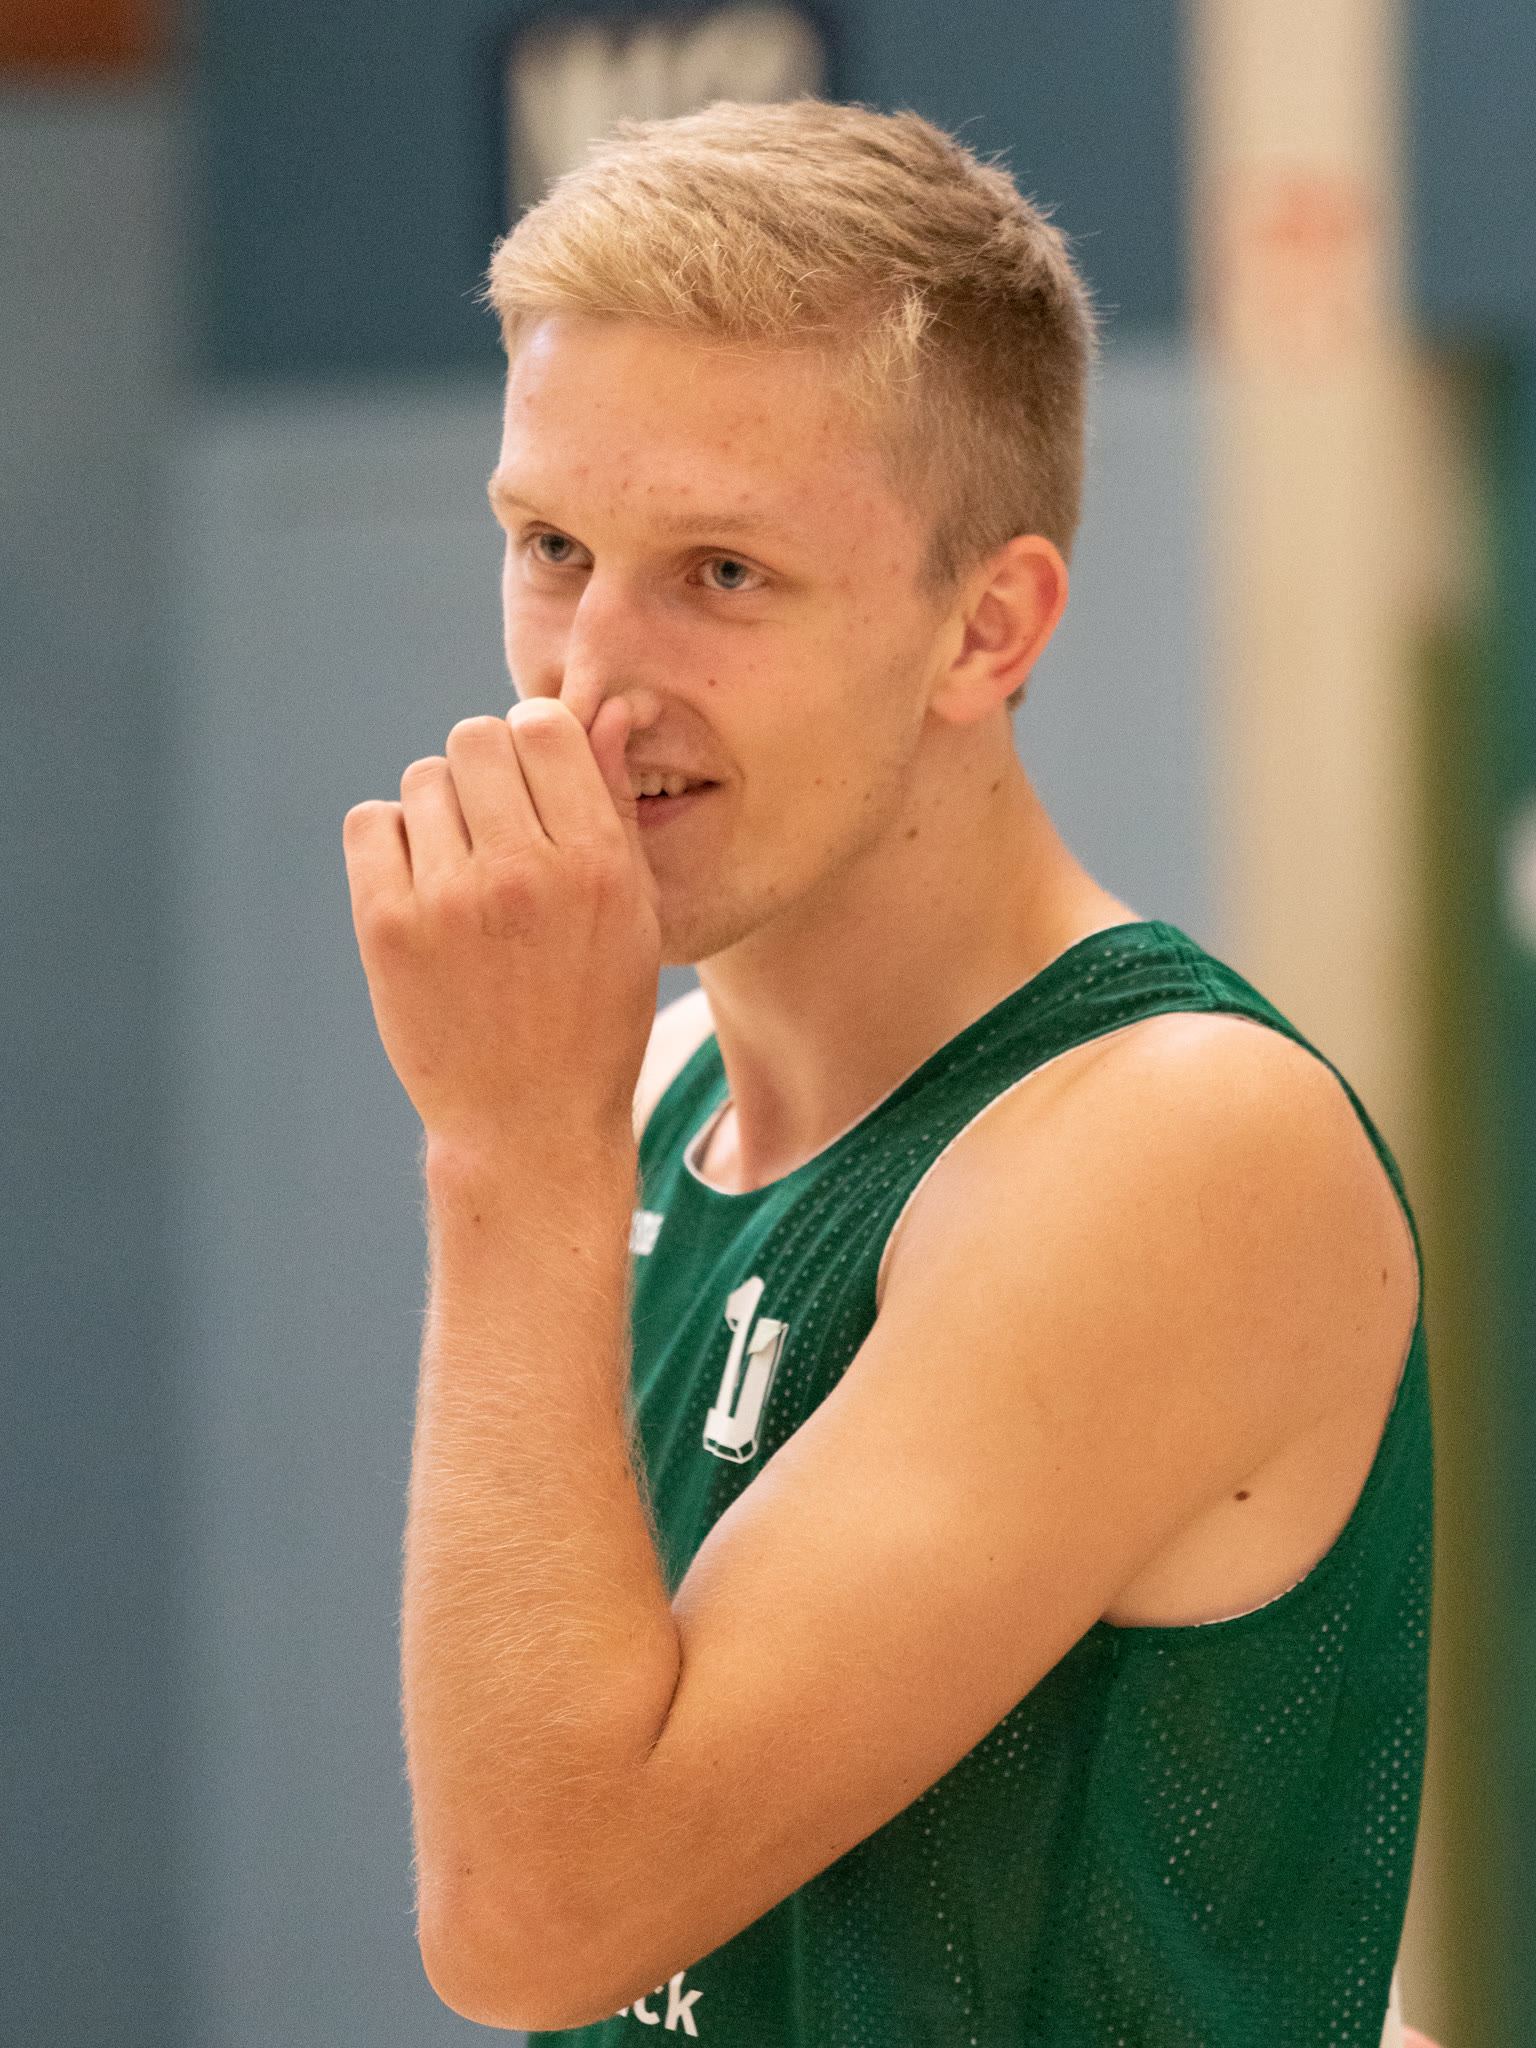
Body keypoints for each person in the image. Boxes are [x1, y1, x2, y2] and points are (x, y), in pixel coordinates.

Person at [343, 101, 1435, 2046]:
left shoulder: (1174, 1144)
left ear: (985, 628)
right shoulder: (660, 1092)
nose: (590, 681)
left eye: (723, 573)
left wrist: (505, 1146)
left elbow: (534, 1918)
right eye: (554, 547)